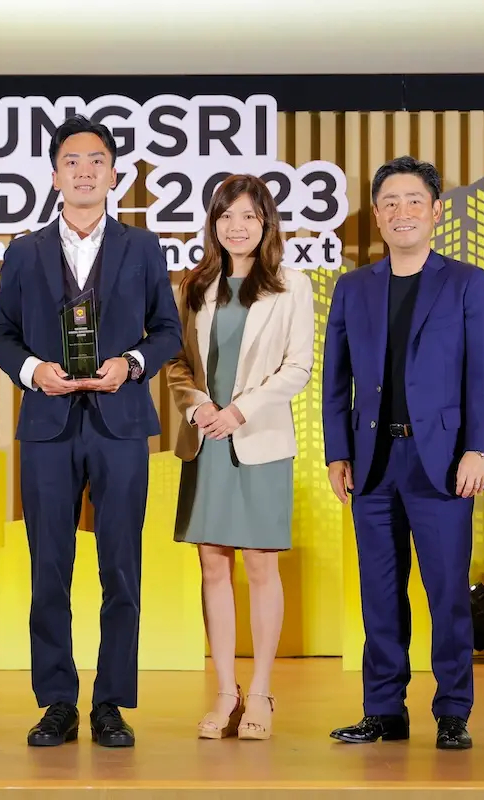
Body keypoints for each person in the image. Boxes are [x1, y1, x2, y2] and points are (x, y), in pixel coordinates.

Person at [0, 115, 182, 748]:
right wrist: (32, 371)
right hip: (47, 426)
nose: (84, 171)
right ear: (54, 176)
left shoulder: (143, 247)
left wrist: (132, 364)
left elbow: (168, 330)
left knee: (121, 566)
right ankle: (57, 702)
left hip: (120, 423)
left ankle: (110, 703)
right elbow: (1, 334)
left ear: (114, 175)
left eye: (96, 160)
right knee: (50, 566)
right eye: (71, 161)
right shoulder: (24, 251)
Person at [321, 155, 484, 751]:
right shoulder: (353, 288)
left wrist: (479, 449)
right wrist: (337, 452)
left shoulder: (466, 282)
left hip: (443, 464)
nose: (403, 212)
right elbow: (335, 379)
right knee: (379, 594)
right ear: (377, 215)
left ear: (436, 211)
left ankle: (452, 712)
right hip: (372, 463)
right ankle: (383, 711)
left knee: (447, 593)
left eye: (414, 201)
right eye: (390, 203)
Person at [167, 174, 314, 741]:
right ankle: (226, 692)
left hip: (260, 440)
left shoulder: (291, 285)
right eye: (226, 216)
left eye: (249, 216)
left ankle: (260, 692)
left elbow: (298, 367)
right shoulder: (194, 284)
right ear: (213, 223)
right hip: (206, 440)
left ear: (266, 222)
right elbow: (177, 362)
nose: (237, 226)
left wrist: (240, 411)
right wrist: (200, 407)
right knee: (212, 565)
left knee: (259, 565)